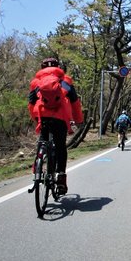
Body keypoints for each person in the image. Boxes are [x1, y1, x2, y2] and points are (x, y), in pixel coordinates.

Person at [28, 57, 84, 195]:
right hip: (60, 118)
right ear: (58, 67)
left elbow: (31, 102)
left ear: (42, 67)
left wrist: (36, 119)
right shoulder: (65, 81)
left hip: (42, 116)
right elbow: (75, 102)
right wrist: (78, 120)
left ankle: (38, 164)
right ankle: (61, 178)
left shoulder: (36, 83)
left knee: (42, 141)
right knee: (60, 147)